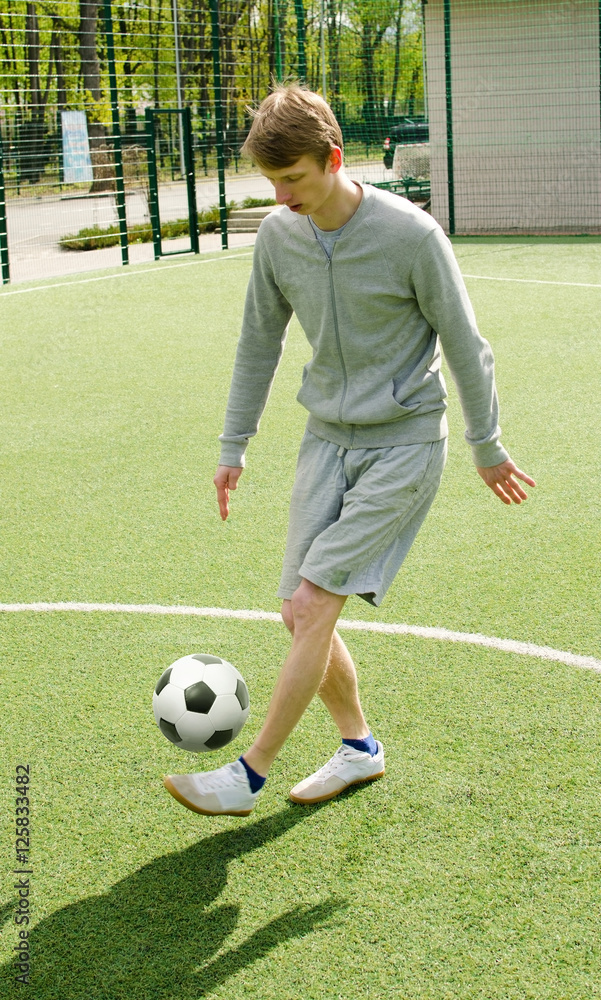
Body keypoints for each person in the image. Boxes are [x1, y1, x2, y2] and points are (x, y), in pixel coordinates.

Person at [163, 84, 534, 818]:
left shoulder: (411, 236)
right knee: (294, 613)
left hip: (403, 445)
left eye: (294, 177)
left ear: (332, 158)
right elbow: (256, 347)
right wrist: (232, 445)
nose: (282, 194)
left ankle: (251, 772)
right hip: (324, 440)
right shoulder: (278, 236)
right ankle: (359, 747)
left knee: (314, 598)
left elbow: (466, 346)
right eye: (270, 181)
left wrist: (484, 444)